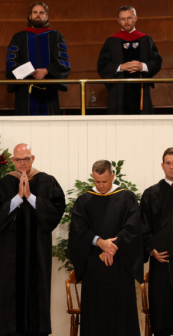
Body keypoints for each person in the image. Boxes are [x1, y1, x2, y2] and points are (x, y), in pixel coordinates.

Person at [0, 143, 65, 336]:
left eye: (26, 159)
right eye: (18, 159)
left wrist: (30, 196)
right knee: (12, 299)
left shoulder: (47, 181)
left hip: (38, 252)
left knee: (38, 296)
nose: (22, 163)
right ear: (12, 160)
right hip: (11, 255)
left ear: (32, 158)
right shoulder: (4, 184)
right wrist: (18, 198)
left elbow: (56, 211)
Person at [68, 160, 144, 336]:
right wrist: (99, 242)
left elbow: (133, 228)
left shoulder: (127, 197)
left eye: (104, 181)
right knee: (96, 317)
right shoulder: (84, 200)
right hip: (94, 267)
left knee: (122, 317)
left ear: (113, 176)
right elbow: (78, 230)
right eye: (97, 182)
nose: (100, 186)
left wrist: (112, 246)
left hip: (120, 267)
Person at [5, 3, 70, 115]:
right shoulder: (19, 37)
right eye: (35, 12)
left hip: (49, 89)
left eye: (41, 12)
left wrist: (47, 70)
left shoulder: (56, 36)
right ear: (30, 16)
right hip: (25, 90)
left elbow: (63, 61)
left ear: (46, 17)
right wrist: (30, 70)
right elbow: (11, 62)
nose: (38, 15)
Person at [97, 6, 162, 114]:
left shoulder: (146, 39)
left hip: (141, 89)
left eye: (129, 18)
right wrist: (121, 67)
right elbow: (102, 65)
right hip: (118, 91)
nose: (126, 22)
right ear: (118, 21)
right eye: (123, 19)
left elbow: (157, 61)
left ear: (135, 18)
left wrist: (143, 66)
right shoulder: (111, 41)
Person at [140, 148, 173, 336]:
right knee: (162, 313)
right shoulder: (151, 194)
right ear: (162, 166)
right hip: (161, 263)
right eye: (168, 163)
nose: (172, 166)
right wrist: (150, 249)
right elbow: (142, 227)